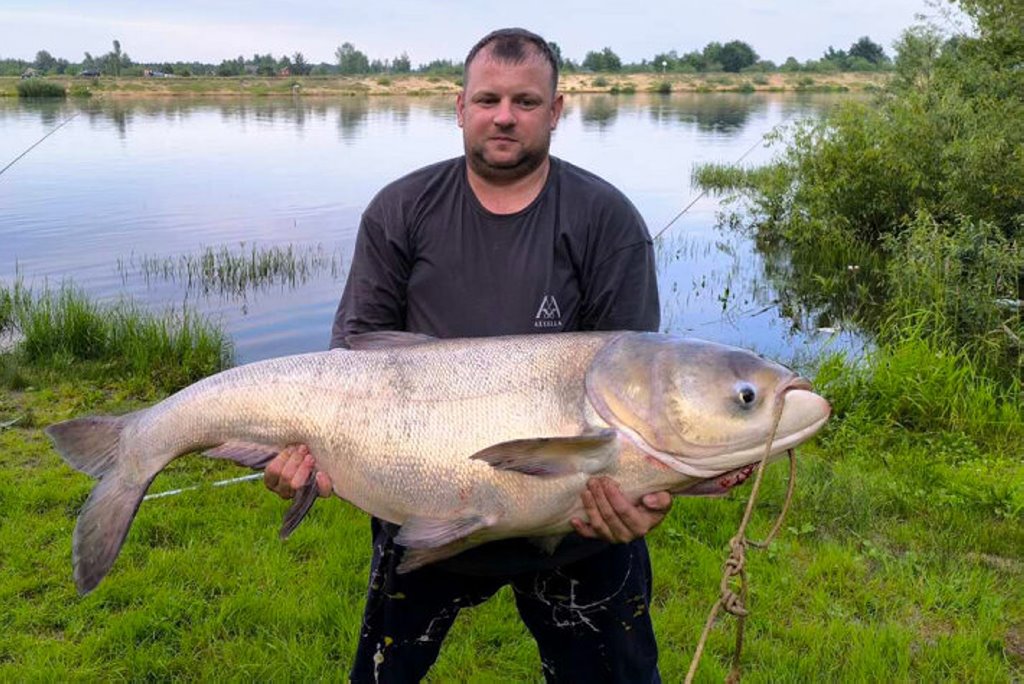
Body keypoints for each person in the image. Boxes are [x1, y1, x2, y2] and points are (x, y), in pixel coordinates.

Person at [264, 28, 672, 682]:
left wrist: (647, 493)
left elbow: (635, 401)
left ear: (557, 110)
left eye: (525, 101)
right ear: (460, 107)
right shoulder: (400, 211)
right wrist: (308, 450)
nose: (504, 116)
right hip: (422, 501)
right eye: (487, 99)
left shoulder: (608, 220)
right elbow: (350, 369)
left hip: (575, 529)